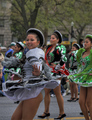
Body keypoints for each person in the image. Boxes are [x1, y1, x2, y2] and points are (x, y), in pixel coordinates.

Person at [2, 28, 59, 120]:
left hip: (34, 93)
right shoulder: (29, 52)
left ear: (38, 42)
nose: (29, 42)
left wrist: (38, 72)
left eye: (32, 40)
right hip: (28, 90)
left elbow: (38, 64)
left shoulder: (36, 52)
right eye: (27, 40)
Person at [38, 30, 67, 119]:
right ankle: (46, 112)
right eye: (50, 38)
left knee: (57, 92)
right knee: (46, 92)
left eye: (53, 38)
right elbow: (46, 59)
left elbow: (64, 59)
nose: (51, 39)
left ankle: (62, 112)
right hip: (49, 71)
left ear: (58, 40)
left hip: (57, 72)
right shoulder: (49, 48)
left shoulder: (61, 47)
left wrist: (57, 65)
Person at [68, 34, 92, 120]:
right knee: (81, 102)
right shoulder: (82, 52)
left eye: (87, 42)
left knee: (89, 103)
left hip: (90, 80)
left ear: (91, 44)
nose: (85, 44)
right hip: (83, 78)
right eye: (84, 42)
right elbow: (80, 65)